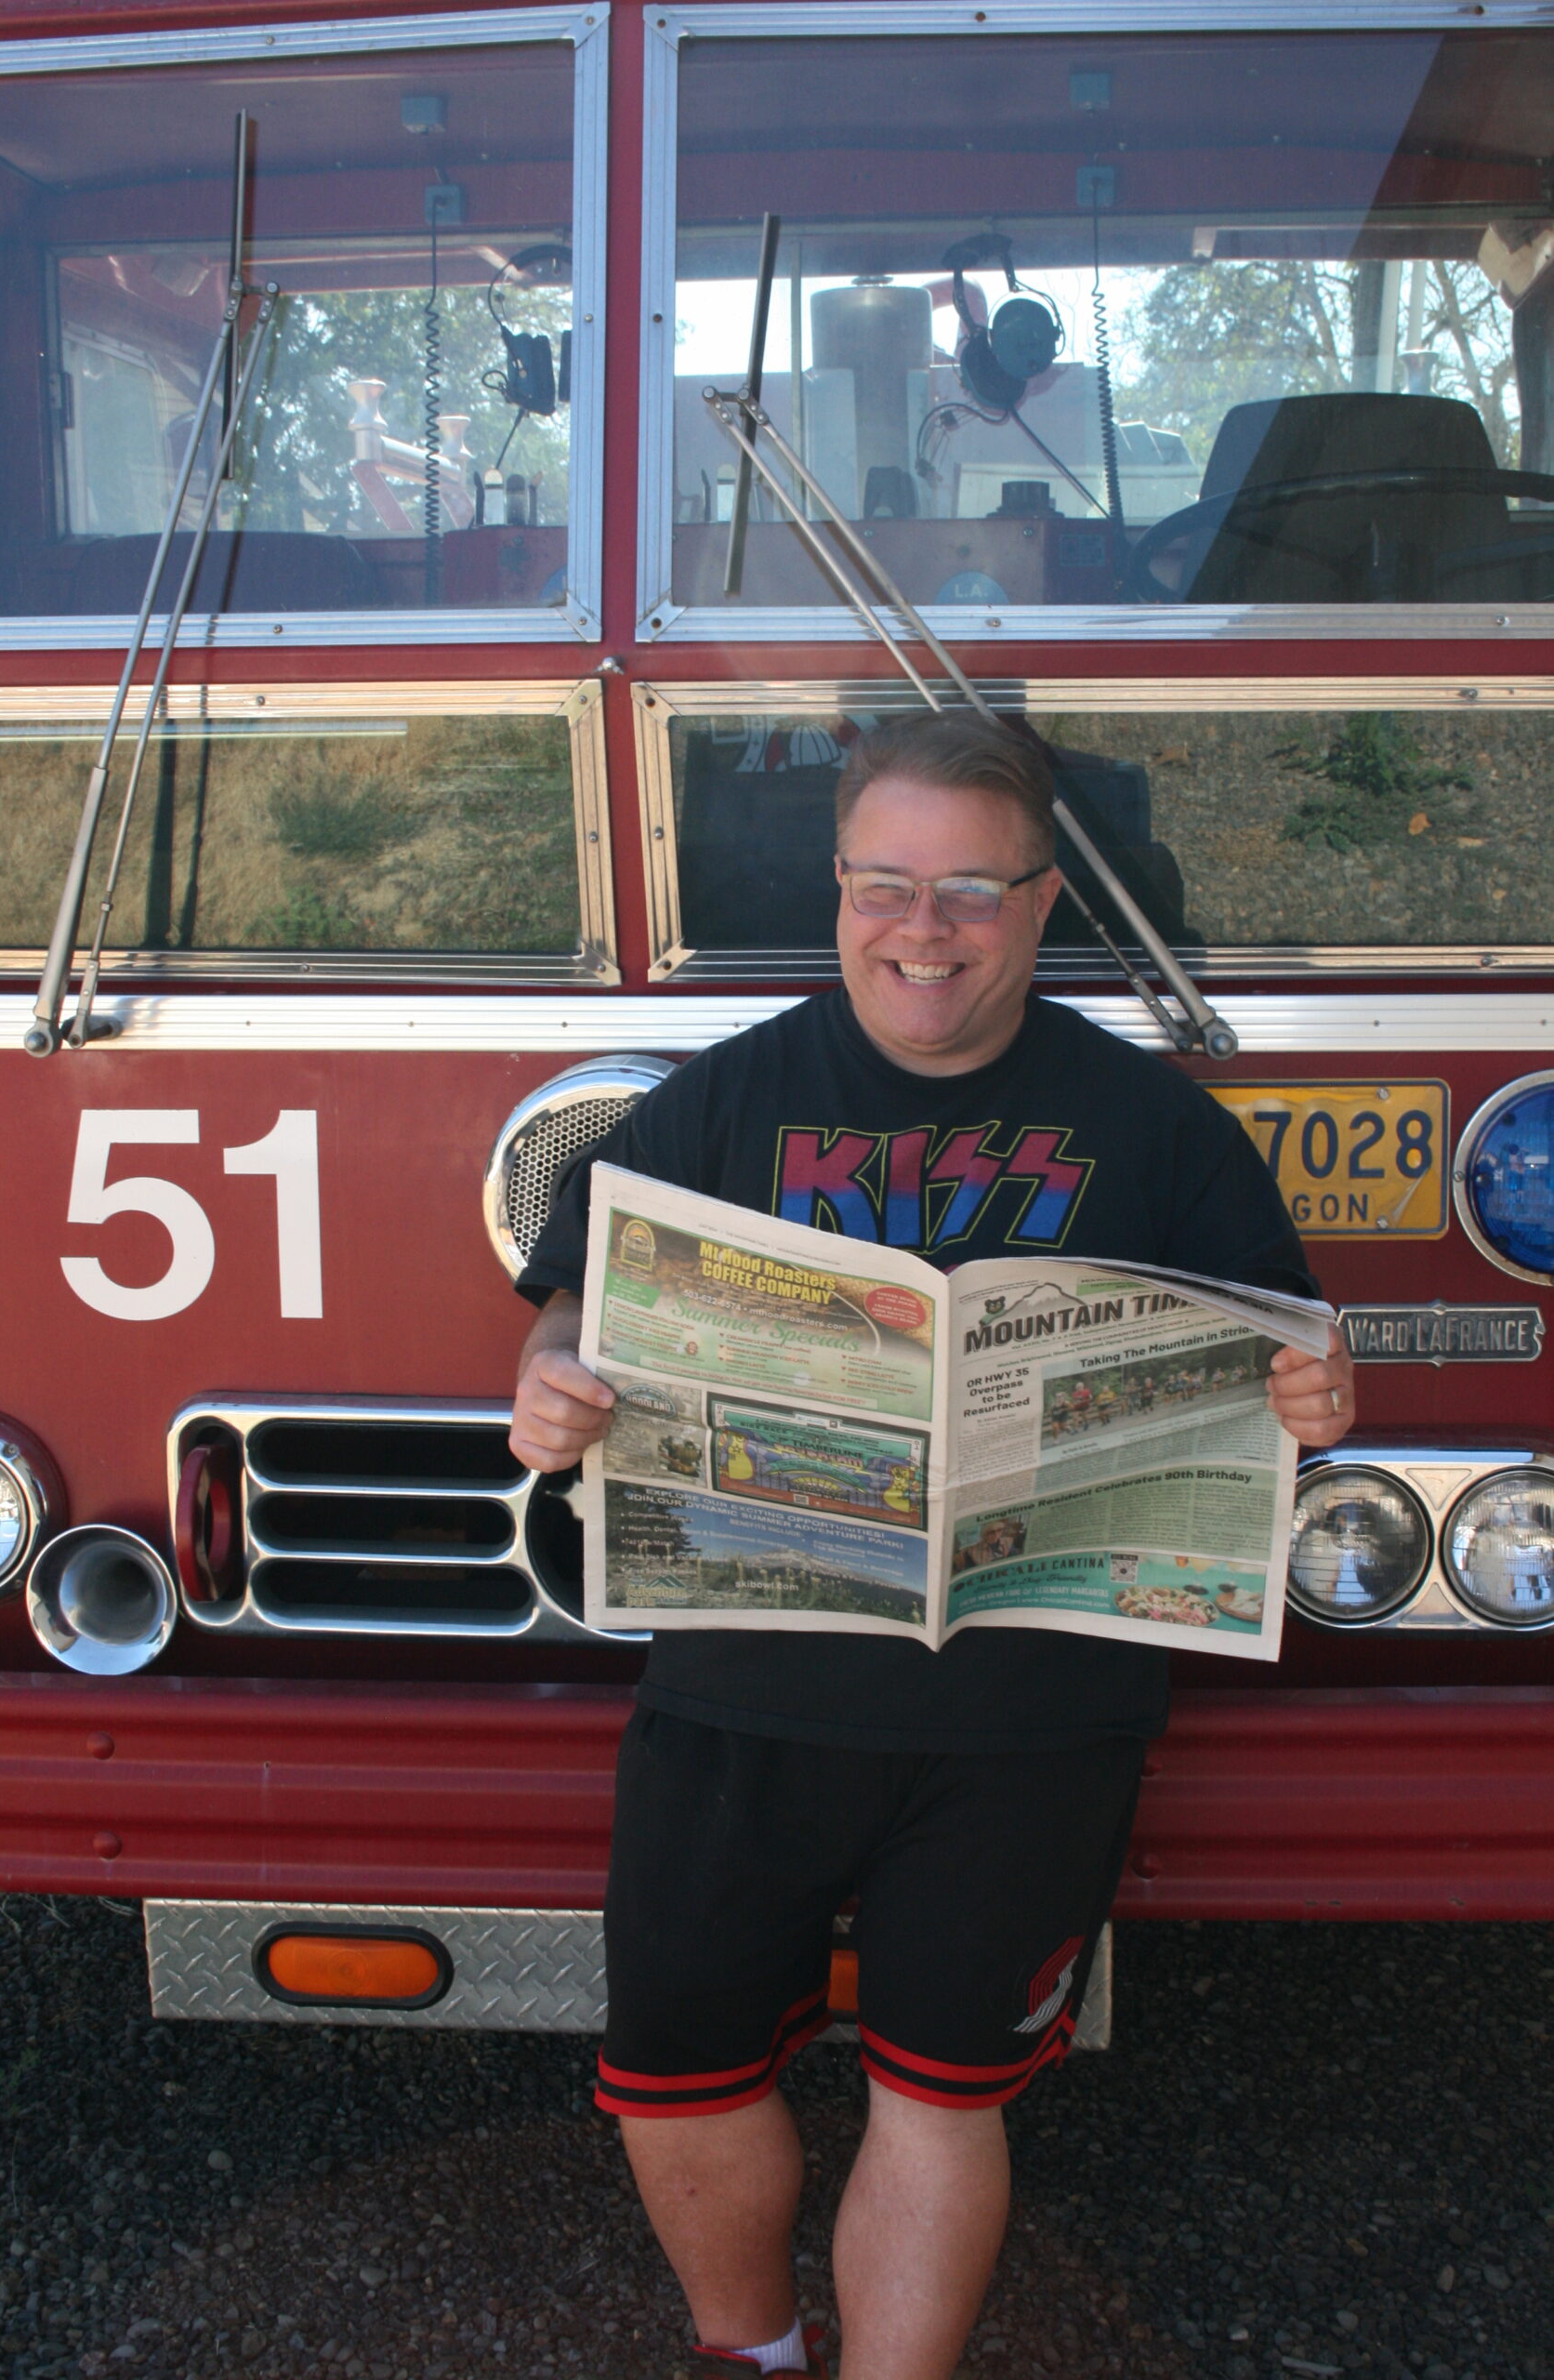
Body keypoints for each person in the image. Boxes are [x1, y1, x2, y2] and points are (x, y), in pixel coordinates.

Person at [509, 712, 1354, 2380]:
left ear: (1044, 904)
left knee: (943, 2095)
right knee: (677, 2072)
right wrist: (546, 1386)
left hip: (1030, 1720)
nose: (925, 928)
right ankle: (747, 2354)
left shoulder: (1160, 1128)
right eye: (885, 883)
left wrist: (1321, 1393)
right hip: (740, 1690)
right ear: (837, 890)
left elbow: (1288, 1349)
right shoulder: (727, 1095)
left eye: (972, 887)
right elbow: (565, 1302)